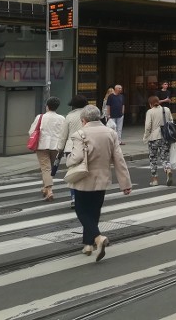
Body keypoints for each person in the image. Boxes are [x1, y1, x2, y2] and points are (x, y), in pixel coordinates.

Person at [67, 105, 132, 261]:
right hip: (102, 178)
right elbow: (119, 159)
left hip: (83, 178)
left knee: (81, 210)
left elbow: (75, 158)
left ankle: (97, 238)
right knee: (94, 211)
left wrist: (68, 160)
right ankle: (88, 244)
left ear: (84, 120)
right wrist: (125, 183)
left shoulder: (79, 134)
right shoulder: (111, 133)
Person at [29, 96, 66, 201]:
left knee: (45, 168)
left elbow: (32, 131)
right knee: (51, 168)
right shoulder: (62, 118)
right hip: (56, 146)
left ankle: (49, 190)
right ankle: (45, 188)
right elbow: (64, 133)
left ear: (47, 106)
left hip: (42, 145)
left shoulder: (40, 117)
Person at [58, 94, 89, 209]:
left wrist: (60, 149)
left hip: (71, 148)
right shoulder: (88, 115)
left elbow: (63, 136)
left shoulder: (69, 117)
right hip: (87, 146)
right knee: (87, 171)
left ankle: (74, 198)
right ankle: (86, 196)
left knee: (73, 173)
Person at [143, 94, 174, 186]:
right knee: (165, 157)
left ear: (150, 104)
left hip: (154, 138)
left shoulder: (150, 112)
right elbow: (171, 121)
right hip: (165, 137)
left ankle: (155, 179)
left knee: (153, 158)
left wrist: (145, 137)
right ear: (158, 101)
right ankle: (168, 170)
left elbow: (148, 126)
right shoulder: (167, 110)